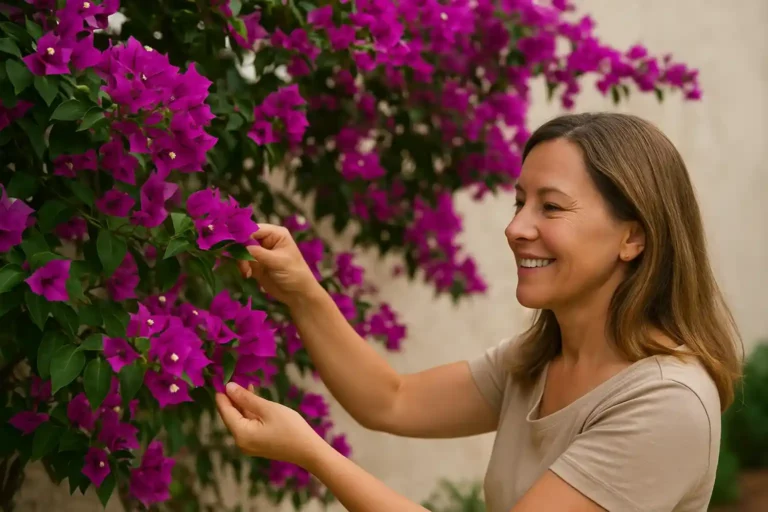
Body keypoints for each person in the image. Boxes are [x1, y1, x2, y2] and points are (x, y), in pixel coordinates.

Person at [215, 112, 743, 512]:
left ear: (633, 236)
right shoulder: (539, 360)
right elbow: (391, 401)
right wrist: (300, 289)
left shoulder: (664, 402)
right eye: (520, 202)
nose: (516, 228)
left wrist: (313, 454)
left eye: (551, 206)